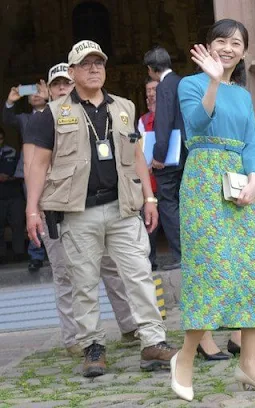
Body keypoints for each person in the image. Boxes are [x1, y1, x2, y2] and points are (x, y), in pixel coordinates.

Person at [25, 40, 176, 378]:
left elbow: (136, 156)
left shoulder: (123, 107)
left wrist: (149, 199)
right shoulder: (52, 113)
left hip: (123, 208)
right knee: (83, 282)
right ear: (73, 71)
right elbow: (38, 165)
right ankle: (93, 346)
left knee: (139, 275)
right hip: (78, 212)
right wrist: (32, 210)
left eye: (99, 63)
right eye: (86, 64)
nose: (94, 69)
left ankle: (152, 341)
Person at [172, 19, 255, 401]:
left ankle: (248, 365)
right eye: (221, 40)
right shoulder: (191, 84)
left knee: (251, 271)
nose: (228, 47)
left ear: (243, 50)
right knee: (211, 270)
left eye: (236, 43)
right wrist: (213, 80)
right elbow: (196, 122)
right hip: (204, 179)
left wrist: (254, 178)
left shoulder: (242, 93)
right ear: (206, 46)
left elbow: (252, 139)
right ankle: (184, 359)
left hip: (239, 181)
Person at [22, 62, 139, 357]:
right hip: (58, 206)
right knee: (65, 273)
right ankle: (76, 338)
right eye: (57, 84)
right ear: (49, 89)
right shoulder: (45, 119)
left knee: (111, 267)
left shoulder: (95, 113)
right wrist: (34, 207)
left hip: (98, 204)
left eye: (66, 83)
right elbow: (31, 165)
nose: (63, 88)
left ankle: (129, 326)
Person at [144, 47, 186, 271]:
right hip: (186, 154)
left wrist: (158, 156)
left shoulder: (164, 87)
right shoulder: (181, 82)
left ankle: (180, 254)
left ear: (151, 70)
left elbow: (163, 122)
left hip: (170, 158)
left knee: (168, 204)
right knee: (182, 202)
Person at [3, 81, 48, 271]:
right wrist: (10, 102)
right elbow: (7, 119)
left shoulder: (56, 112)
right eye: (32, 93)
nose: (36, 95)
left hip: (55, 169)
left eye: (40, 92)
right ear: (28, 100)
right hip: (30, 172)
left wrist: (51, 99)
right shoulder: (24, 118)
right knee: (33, 211)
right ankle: (36, 254)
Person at [137, 77, 161, 271]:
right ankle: (150, 259)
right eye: (148, 92)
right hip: (150, 176)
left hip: (171, 174)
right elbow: (140, 149)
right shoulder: (143, 121)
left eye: (154, 90)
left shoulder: (173, 115)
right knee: (149, 219)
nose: (151, 95)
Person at [0, 128, 25, 264]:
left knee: (18, 225)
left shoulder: (12, 152)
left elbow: (20, 172)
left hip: (14, 194)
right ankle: (1, 256)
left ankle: (19, 254)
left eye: (1, 139)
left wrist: (8, 177)